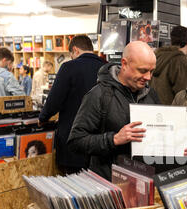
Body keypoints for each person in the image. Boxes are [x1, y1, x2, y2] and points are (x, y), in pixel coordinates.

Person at [67, 41, 160, 181]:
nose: (148, 77)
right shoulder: (99, 95)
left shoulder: (151, 95)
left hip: (143, 182)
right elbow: (76, 141)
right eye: (142, 70)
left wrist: (177, 145)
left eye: (151, 71)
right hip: (108, 184)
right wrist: (114, 139)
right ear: (124, 64)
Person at [38, 35, 106, 175]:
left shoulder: (69, 67)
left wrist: (43, 118)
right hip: (100, 142)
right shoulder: (106, 67)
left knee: (72, 185)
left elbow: (55, 99)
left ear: (75, 50)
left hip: (73, 139)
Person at [150, 25, 187, 105]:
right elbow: (184, 94)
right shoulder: (180, 61)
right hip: (172, 112)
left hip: (154, 110)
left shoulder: (156, 57)